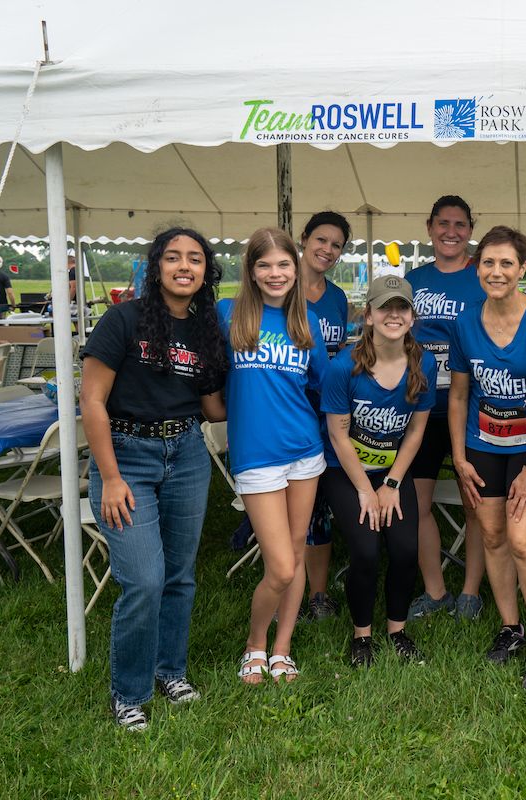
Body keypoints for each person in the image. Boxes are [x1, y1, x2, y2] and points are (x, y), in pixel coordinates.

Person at [80, 227, 228, 731]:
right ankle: (129, 692)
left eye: (195, 259)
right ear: (156, 266)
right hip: (126, 458)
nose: (184, 266)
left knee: (180, 576)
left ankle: (171, 671)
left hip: (186, 452)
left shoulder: (206, 330)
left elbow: (211, 407)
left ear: (206, 271)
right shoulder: (123, 319)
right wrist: (111, 476)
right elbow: (92, 402)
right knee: (144, 579)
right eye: (173, 257)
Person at [449, 225, 526, 692]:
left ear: (522, 269)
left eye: (506, 263)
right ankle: (510, 627)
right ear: (476, 267)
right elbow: (460, 396)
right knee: (493, 536)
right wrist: (460, 458)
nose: (496, 271)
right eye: (488, 262)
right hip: (482, 447)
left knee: (523, 540)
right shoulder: (465, 323)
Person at [219, 227, 329, 685]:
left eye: (284, 264)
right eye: (264, 265)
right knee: (280, 565)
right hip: (256, 456)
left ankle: (281, 649)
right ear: (251, 270)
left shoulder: (308, 323)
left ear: (296, 267)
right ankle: (255, 642)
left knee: (298, 555)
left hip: (304, 451)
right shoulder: (229, 315)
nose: (275, 273)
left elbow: (323, 386)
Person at [320, 275, 437, 666]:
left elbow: (417, 430)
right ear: (367, 314)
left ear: (411, 315)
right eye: (384, 307)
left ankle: (397, 630)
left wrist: (390, 484)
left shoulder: (425, 363)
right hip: (346, 471)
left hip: (391, 472)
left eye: (401, 307)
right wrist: (366, 492)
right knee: (366, 551)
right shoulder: (343, 368)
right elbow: (338, 434)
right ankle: (362, 636)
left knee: (405, 549)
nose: (393, 314)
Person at [405, 195, 488, 620]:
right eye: (443, 223)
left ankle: (471, 592)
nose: (451, 231)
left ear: (470, 229)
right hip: (420, 408)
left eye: (459, 224)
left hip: (469, 407)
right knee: (416, 504)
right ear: (430, 227)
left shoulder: (482, 278)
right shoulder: (413, 279)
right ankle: (436, 592)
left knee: (474, 503)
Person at [298, 210, 353, 622]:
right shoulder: (279, 287)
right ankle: (290, 588)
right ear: (304, 239)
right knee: (290, 503)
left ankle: (318, 594)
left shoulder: (336, 299)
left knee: (318, 504)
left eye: (336, 245)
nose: (327, 250)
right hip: (288, 409)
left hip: (327, 410)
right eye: (321, 240)